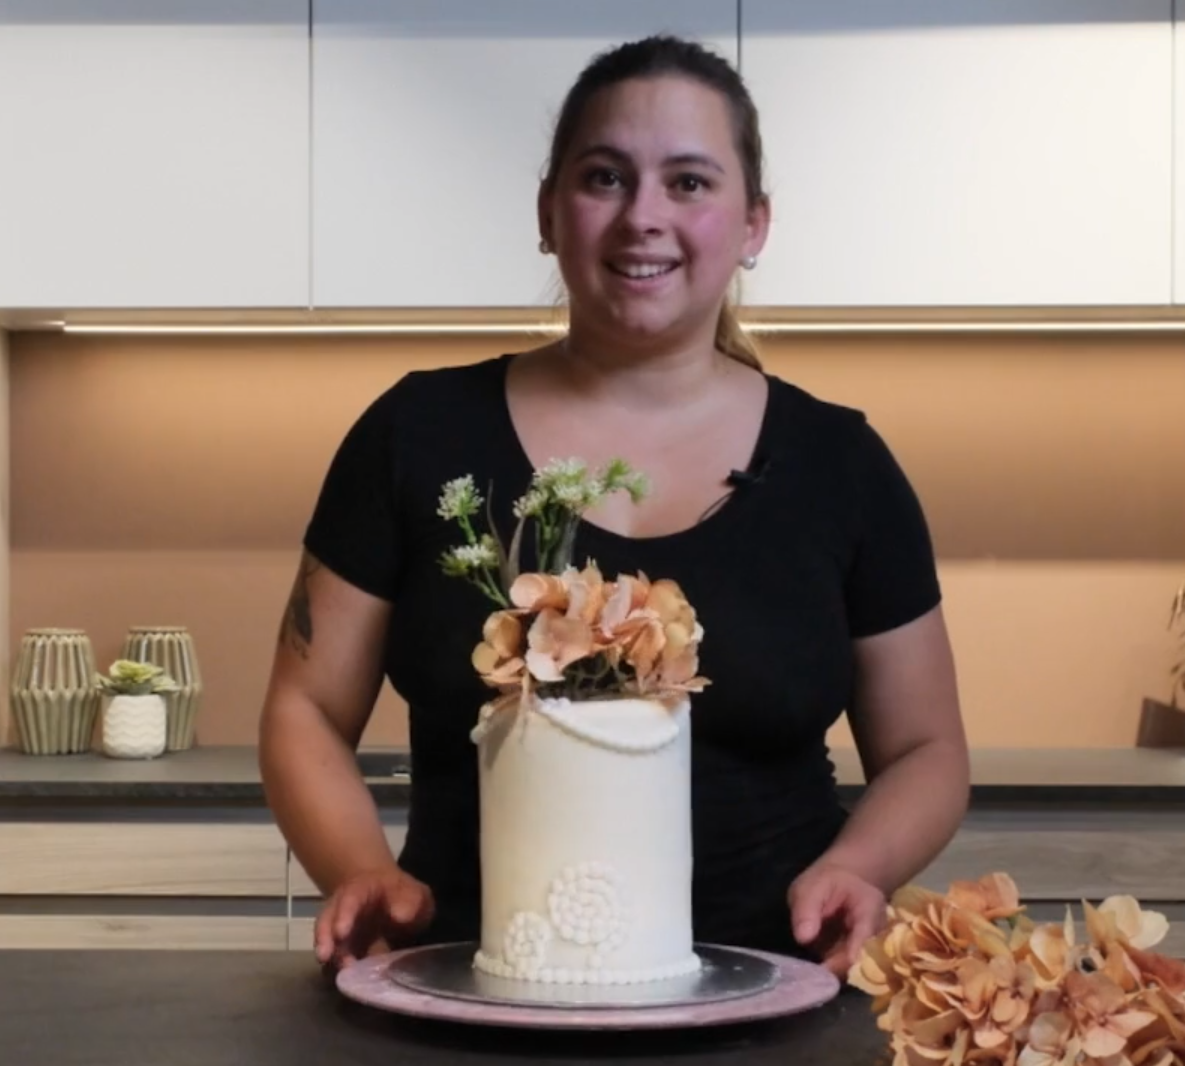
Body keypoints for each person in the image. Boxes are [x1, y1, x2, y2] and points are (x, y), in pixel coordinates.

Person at [258, 33, 969, 981]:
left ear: (753, 223)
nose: (644, 217)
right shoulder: (414, 433)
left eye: (688, 182)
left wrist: (856, 865)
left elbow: (927, 748)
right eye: (605, 177)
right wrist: (359, 872)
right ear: (549, 213)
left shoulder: (842, 462)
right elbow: (305, 707)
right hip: (464, 990)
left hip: (776, 992)